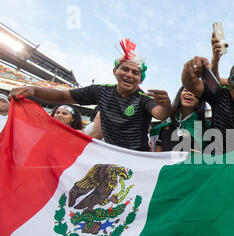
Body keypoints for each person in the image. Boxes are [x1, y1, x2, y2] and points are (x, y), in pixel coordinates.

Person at [9, 38, 172, 151]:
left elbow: (159, 113)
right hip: (107, 154)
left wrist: (165, 105)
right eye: (125, 69)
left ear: (140, 79)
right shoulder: (100, 90)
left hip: (137, 157)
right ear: (116, 71)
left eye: (135, 72)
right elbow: (63, 96)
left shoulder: (144, 99)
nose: (130, 74)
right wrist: (34, 90)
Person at [182, 57, 234, 153]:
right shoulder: (219, 94)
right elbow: (190, 84)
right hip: (214, 162)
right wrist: (188, 68)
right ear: (228, 81)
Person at [151, 86, 209, 152]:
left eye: (195, 92)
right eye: (186, 90)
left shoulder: (206, 126)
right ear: (180, 94)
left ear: (200, 100)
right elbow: (158, 154)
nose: (189, 93)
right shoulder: (166, 124)